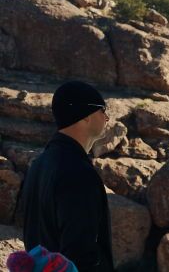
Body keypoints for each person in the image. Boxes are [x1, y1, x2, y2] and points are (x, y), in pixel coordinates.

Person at [18, 80, 115, 271]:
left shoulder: (39, 165)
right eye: (102, 110)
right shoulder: (77, 172)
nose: (106, 118)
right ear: (85, 115)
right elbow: (80, 252)